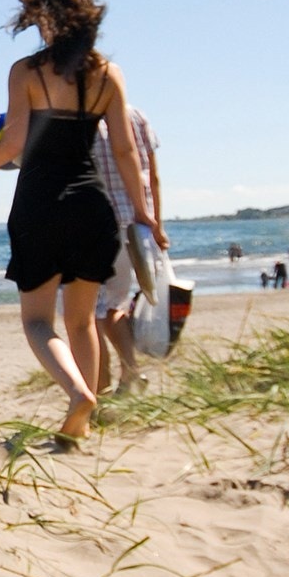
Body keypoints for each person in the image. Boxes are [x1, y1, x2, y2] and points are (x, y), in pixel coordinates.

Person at [0, 0, 163, 442]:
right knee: (82, 320)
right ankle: (82, 424)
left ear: (46, 19)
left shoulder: (26, 72)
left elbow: (14, 144)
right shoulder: (107, 74)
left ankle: (79, 394)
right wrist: (145, 214)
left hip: (39, 204)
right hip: (92, 206)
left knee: (38, 321)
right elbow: (124, 152)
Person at [91, 105, 166, 395]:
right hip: (135, 226)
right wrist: (156, 224)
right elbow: (153, 176)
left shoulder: (80, 118)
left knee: (88, 313)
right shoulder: (135, 115)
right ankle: (131, 373)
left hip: (95, 224)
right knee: (114, 305)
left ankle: (99, 389)